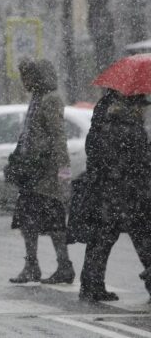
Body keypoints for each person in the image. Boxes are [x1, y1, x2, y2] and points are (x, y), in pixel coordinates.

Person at [75, 93, 151, 301]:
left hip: (108, 193)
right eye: (141, 106)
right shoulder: (132, 129)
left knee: (102, 240)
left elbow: (95, 153)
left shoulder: (106, 124)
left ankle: (90, 285)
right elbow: (140, 164)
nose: (144, 110)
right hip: (129, 194)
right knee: (142, 238)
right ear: (134, 107)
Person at [6, 59, 74, 284]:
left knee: (54, 222)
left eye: (26, 76)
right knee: (27, 220)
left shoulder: (50, 99)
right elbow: (30, 135)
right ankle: (32, 265)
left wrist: (63, 173)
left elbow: (58, 137)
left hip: (46, 174)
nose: (23, 81)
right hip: (31, 173)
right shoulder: (36, 99)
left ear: (38, 78)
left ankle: (64, 266)